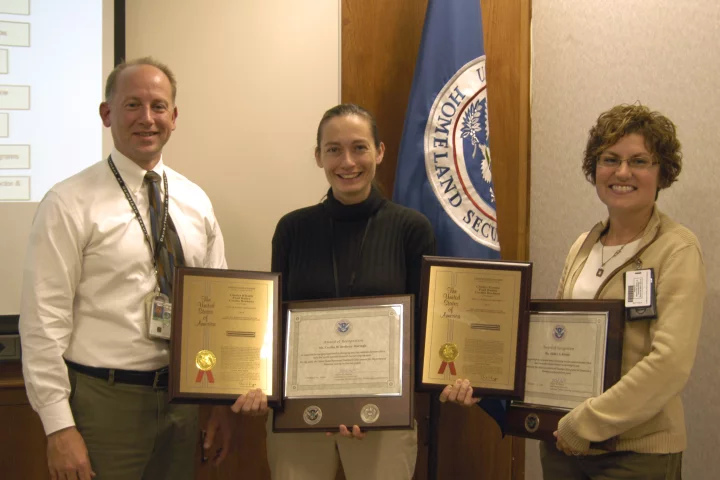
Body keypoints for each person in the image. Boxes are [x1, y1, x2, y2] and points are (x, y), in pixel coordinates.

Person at [19, 57, 250, 480]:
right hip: (103, 404)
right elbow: (42, 321)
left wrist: (220, 402)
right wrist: (58, 426)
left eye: (159, 106)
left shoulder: (194, 200)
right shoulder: (68, 202)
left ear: (174, 117)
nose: (147, 118)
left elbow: (217, 309)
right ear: (107, 114)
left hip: (182, 404)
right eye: (132, 105)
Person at [265, 104, 436, 479]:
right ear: (318, 157)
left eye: (359, 147)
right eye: (333, 149)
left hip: (383, 415)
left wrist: (365, 402)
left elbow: (425, 326)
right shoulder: (292, 230)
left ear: (380, 151)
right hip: (300, 414)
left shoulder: (412, 229)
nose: (347, 161)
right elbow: (273, 322)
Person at [538, 104, 705, 479]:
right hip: (564, 446)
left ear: (663, 172)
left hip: (635, 454)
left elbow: (669, 364)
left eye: (639, 161)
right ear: (594, 169)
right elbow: (555, 339)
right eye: (610, 159)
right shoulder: (583, 245)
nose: (622, 172)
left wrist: (585, 424)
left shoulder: (677, 249)